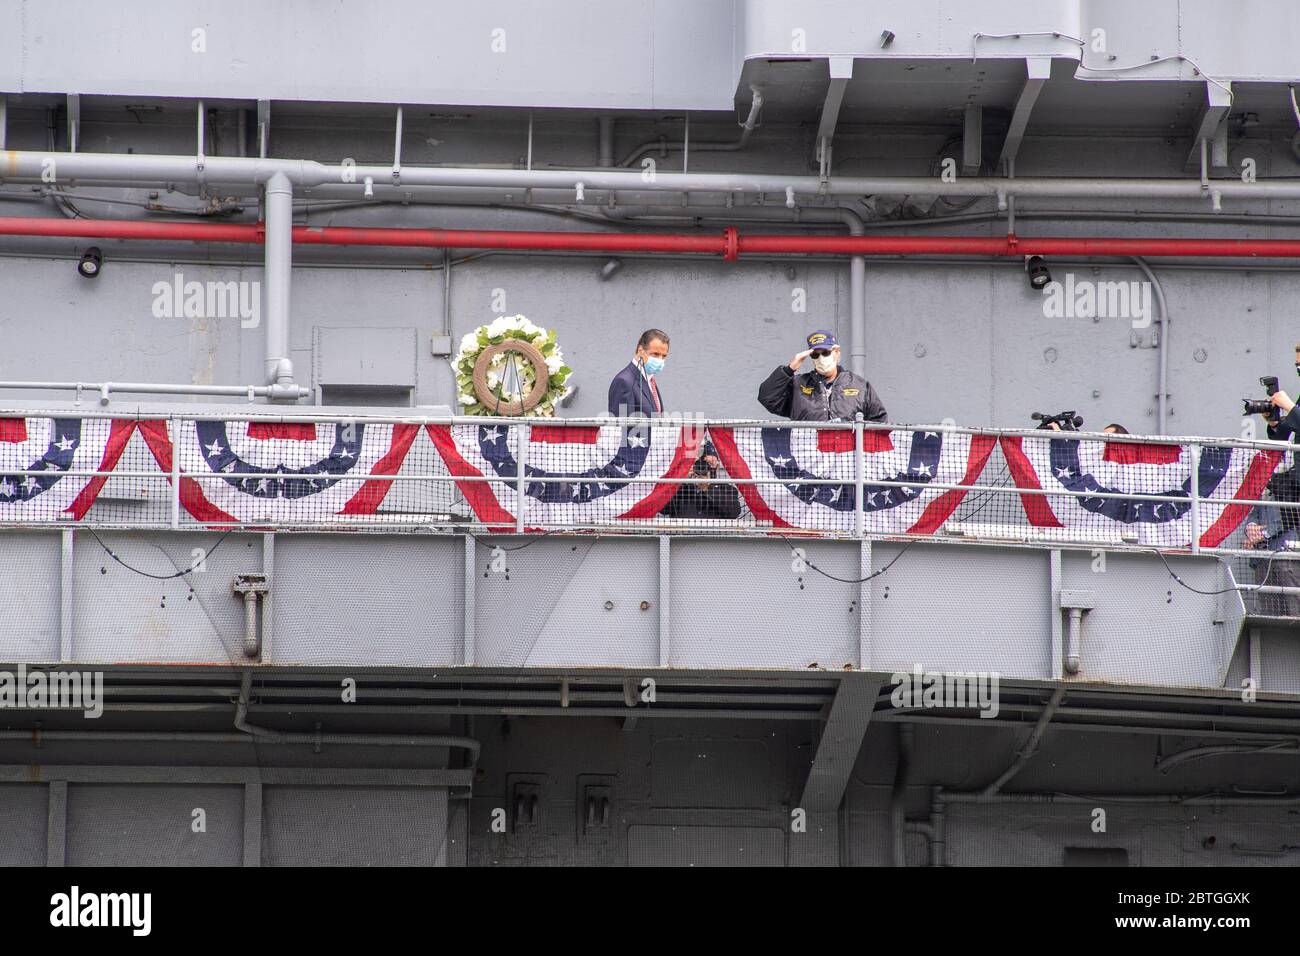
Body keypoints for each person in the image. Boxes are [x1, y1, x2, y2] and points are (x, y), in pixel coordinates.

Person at [757, 330, 887, 422]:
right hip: (809, 457)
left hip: (847, 457)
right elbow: (767, 398)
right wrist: (790, 369)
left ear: (836, 352)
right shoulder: (799, 385)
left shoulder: (859, 385)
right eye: (815, 355)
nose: (821, 358)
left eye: (825, 353)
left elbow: (879, 421)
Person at [661, 439, 741, 521]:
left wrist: (708, 488)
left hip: (713, 533)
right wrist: (680, 479)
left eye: (709, 464)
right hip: (683, 533)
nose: (702, 467)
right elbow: (663, 509)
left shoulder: (727, 489)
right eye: (697, 463)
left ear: (717, 468)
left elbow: (734, 512)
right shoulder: (680, 488)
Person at [608, 329, 670, 417]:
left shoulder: (650, 380)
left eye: (664, 356)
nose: (660, 360)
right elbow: (621, 426)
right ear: (640, 351)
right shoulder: (624, 381)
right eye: (655, 354)